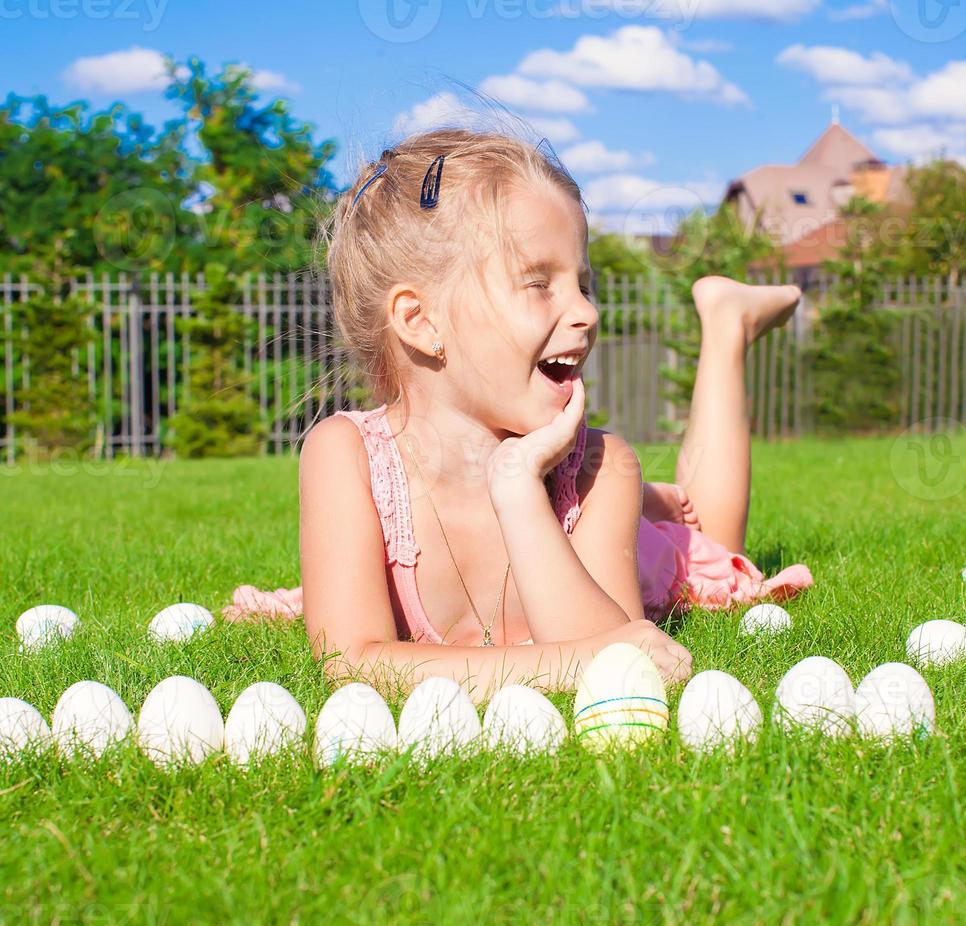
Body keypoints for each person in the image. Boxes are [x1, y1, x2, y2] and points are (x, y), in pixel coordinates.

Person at [222, 128, 813, 701]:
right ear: (421, 322)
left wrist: (518, 486)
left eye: (583, 283)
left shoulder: (600, 470)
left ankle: (726, 324)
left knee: (706, 538)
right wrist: (575, 663)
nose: (585, 312)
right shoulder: (343, 455)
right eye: (539, 283)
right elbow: (352, 664)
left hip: (604, 533)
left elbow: (616, 651)